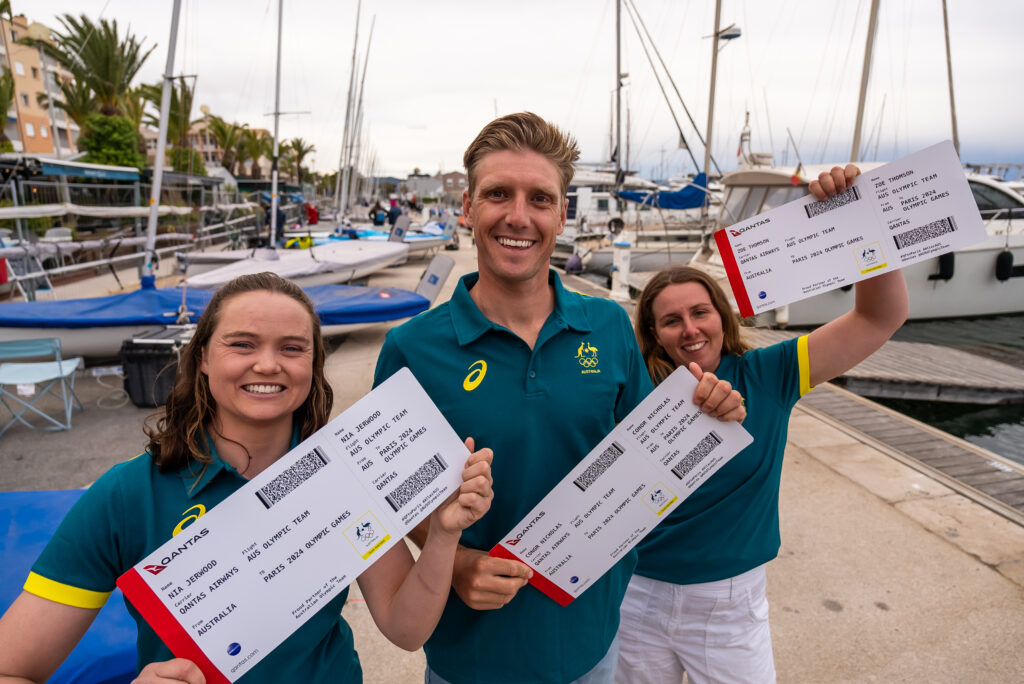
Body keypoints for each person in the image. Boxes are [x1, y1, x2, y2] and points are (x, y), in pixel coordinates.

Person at [373, 112, 744, 684]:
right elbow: (392, 499)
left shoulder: (610, 326)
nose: (518, 216)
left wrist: (709, 416)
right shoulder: (411, 349)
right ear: (468, 207)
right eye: (498, 194)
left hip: (591, 644)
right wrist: (458, 563)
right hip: (471, 660)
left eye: (540, 199)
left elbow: (649, 465)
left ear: (562, 214)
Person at [0, 272, 494, 684]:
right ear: (203, 358)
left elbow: (406, 630)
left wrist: (443, 535)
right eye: (242, 344)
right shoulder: (127, 495)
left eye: (292, 348)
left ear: (313, 366)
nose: (267, 364)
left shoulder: (350, 472)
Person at [615, 165, 909, 684]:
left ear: (722, 317)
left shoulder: (770, 373)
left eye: (701, 312)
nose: (689, 329)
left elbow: (877, 318)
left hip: (728, 603)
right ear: (654, 333)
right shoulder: (632, 386)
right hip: (637, 594)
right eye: (671, 321)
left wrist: (859, 217)